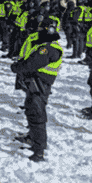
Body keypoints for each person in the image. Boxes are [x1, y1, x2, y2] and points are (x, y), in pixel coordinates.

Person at [11, 17, 63, 162]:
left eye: (41, 29)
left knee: (37, 115)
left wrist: (16, 68)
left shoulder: (48, 48)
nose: (38, 31)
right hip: (35, 84)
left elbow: (32, 63)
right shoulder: (45, 44)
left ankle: (39, 150)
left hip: (40, 85)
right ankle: (32, 138)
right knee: (31, 111)